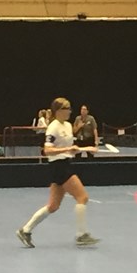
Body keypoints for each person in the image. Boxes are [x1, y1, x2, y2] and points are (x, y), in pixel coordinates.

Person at [17, 97, 99, 248]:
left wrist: (84, 149)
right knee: (82, 197)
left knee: (53, 206)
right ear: (58, 111)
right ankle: (81, 235)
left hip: (65, 163)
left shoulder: (68, 125)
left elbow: (69, 148)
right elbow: (47, 150)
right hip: (59, 166)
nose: (70, 111)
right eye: (66, 108)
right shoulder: (53, 127)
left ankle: (25, 230)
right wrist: (68, 149)